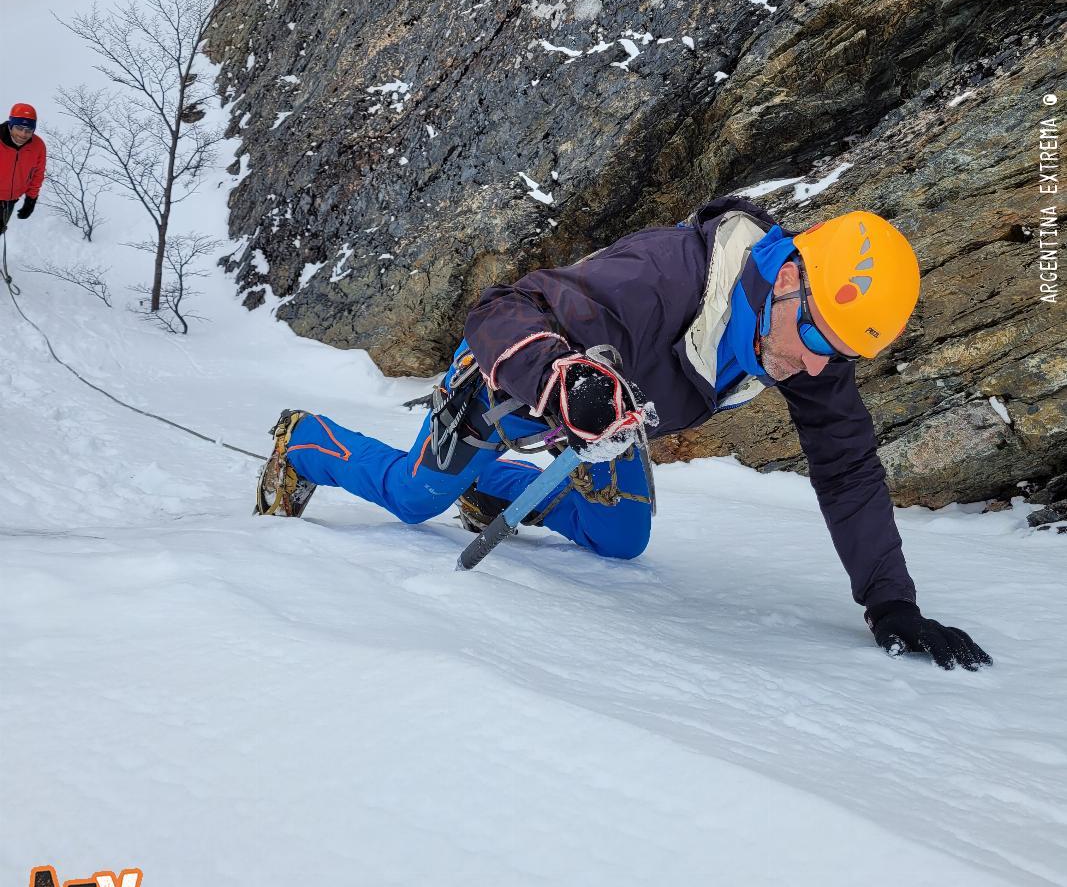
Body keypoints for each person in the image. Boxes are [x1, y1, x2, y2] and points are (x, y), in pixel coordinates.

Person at [256, 196, 992, 671]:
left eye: (837, 351)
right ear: (788, 276)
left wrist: (890, 602)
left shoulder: (805, 348)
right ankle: (307, 441)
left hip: (607, 420)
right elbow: (501, 310)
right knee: (414, 496)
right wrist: (559, 378)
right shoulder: (665, 276)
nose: (812, 363)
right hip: (509, 381)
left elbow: (848, 469)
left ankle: (488, 490)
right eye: (812, 334)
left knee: (620, 536)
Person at [0, 102, 46, 235]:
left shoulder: (38, 146)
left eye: (29, 130)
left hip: (10, 200)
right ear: (10, 125)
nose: (23, 134)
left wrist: (31, 200)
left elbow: (37, 174)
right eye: (19, 128)